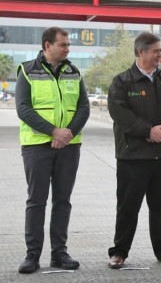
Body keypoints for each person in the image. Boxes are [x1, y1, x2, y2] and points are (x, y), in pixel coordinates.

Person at [107, 32, 161, 269]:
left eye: (160, 51)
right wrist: (148, 131)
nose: (160, 56)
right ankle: (119, 252)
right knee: (128, 207)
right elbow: (120, 113)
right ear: (141, 52)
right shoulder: (122, 82)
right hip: (132, 157)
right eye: (156, 51)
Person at [15, 27, 90, 274]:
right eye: (63, 44)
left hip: (69, 146)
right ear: (48, 46)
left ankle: (59, 253)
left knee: (62, 200)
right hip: (37, 145)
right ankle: (32, 256)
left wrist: (66, 133)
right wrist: (53, 131)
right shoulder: (27, 71)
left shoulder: (74, 72)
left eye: (68, 44)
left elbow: (83, 108)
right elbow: (23, 109)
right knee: (36, 201)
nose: (68, 48)